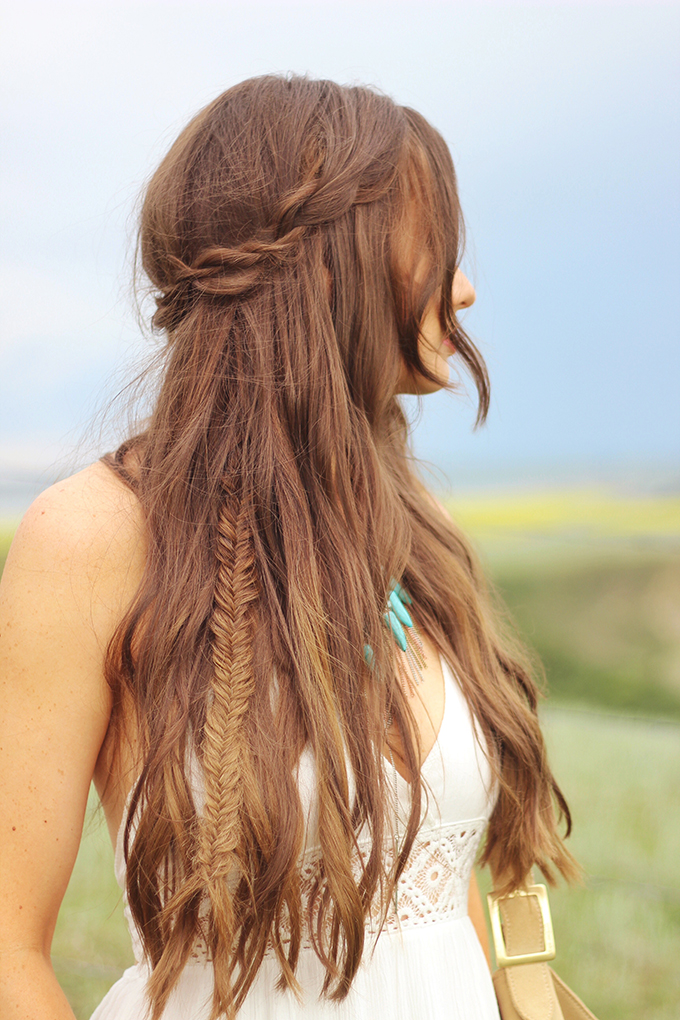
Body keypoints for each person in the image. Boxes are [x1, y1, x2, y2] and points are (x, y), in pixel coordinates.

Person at [0, 75, 577, 1020]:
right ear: (324, 265)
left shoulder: (408, 524)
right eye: (435, 242)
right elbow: (7, 951)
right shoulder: (92, 535)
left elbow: (434, 888)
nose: (464, 285)